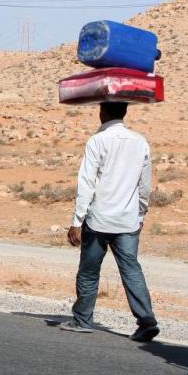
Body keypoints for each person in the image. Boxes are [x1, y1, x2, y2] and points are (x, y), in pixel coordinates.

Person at [61, 101, 160, 342]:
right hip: (127, 220)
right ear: (124, 111)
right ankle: (146, 320)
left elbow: (87, 182)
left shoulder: (97, 140)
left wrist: (77, 220)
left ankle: (83, 319)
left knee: (89, 271)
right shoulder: (140, 142)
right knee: (131, 269)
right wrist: (140, 213)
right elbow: (144, 185)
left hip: (99, 219)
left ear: (102, 112)